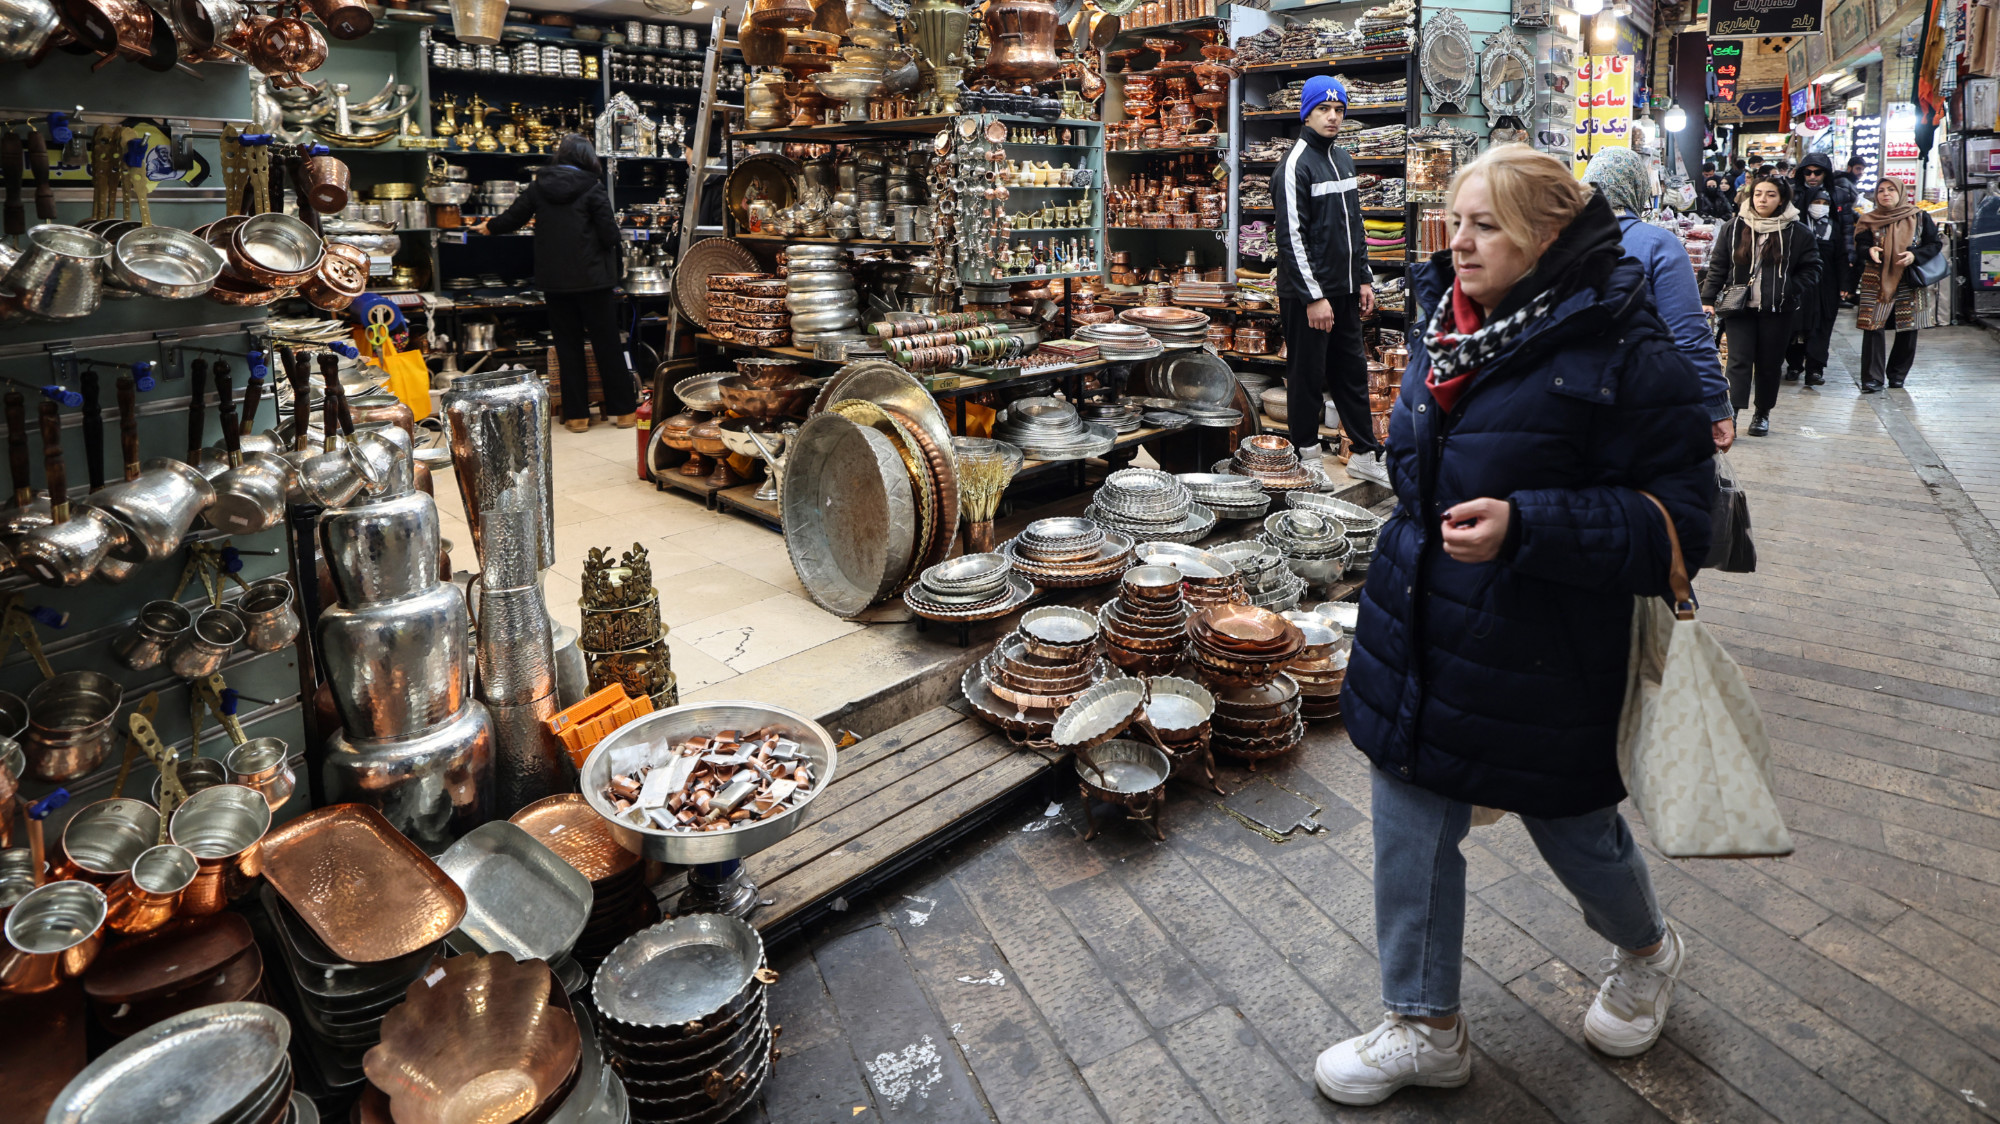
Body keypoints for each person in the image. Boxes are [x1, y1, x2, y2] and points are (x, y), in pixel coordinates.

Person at [1324, 144, 1715, 1106]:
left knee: (1574, 829)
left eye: (1486, 225)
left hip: (1544, 644)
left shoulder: (1623, 342)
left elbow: (1683, 520)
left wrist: (1528, 525)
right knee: (1408, 821)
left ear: (1547, 235)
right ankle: (1423, 1024)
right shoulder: (1444, 324)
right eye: (1455, 221)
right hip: (1417, 617)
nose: (1459, 243)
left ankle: (1646, 950)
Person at [471, 133, 639, 433]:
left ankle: (577, 417)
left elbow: (513, 217)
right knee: (607, 345)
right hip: (594, 281)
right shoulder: (593, 187)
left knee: (568, 347)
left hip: (557, 283)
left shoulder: (539, 186)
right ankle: (624, 412)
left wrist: (489, 226)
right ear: (587, 158)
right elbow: (610, 235)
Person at [1581, 147, 1735, 452]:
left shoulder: (1555, 238)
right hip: (1638, 403)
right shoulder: (1656, 243)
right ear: (1636, 188)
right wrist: (1716, 405)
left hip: (1566, 403)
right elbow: (1688, 334)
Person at [1272, 74, 1383, 484]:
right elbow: (1291, 239)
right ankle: (1306, 455)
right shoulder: (1295, 165)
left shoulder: (1345, 158)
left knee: (1351, 371)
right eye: (1324, 109)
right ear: (1306, 112)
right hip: (1309, 295)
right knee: (1307, 375)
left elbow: (1355, 226)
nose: (1333, 117)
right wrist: (1314, 297)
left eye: (1338, 110)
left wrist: (1365, 278)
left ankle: (1365, 453)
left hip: (1346, 289)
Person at [1699, 177, 1819, 437]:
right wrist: (1707, 299)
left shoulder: (1797, 232)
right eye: (1758, 194)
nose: (1762, 199)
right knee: (1738, 361)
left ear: (1782, 199)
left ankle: (1762, 413)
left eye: (1770, 195)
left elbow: (1812, 267)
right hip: (1739, 308)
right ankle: (1731, 414)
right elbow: (1719, 265)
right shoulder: (1734, 227)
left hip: (1778, 309)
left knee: (1769, 363)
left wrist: (1790, 287)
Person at [1853, 176, 1943, 392]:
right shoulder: (1868, 219)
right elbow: (1860, 245)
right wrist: (1869, 251)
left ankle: (1897, 375)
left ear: (1901, 192)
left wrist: (1914, 256)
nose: (1885, 194)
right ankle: (1872, 379)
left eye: (1891, 190)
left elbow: (1934, 244)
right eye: (1881, 190)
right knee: (1873, 326)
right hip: (1876, 279)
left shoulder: (1919, 217)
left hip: (1910, 279)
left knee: (1908, 327)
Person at [1783, 182, 1846, 387]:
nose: (1820, 206)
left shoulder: (1834, 228)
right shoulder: (1797, 227)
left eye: (1824, 203)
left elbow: (1841, 257)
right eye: (1815, 202)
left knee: (1821, 328)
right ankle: (1794, 365)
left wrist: (1846, 284)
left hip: (1827, 286)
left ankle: (1815, 369)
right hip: (1802, 284)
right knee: (1794, 326)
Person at [1835, 157, 1868, 304]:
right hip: (1846, 228)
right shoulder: (1843, 182)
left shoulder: (1848, 182)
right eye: (1858, 169)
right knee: (1850, 261)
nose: (1860, 172)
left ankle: (1848, 293)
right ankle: (1846, 294)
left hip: (1850, 226)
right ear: (1849, 168)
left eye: (1862, 169)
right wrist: (1861, 217)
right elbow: (1844, 208)